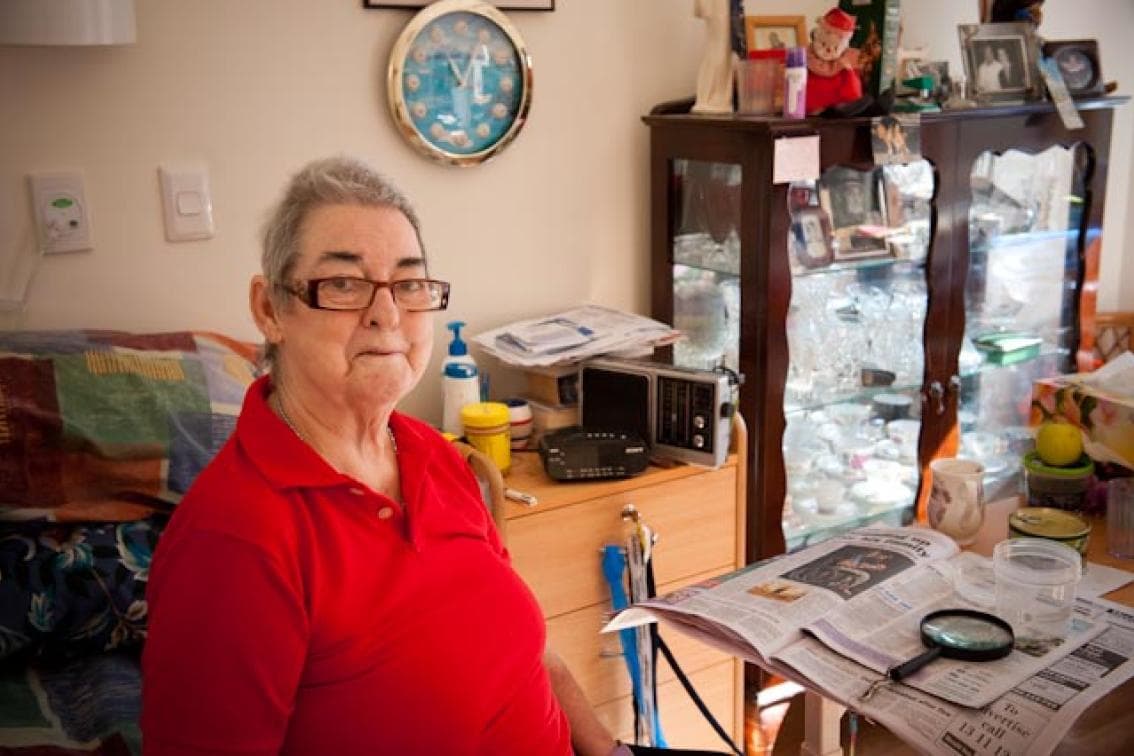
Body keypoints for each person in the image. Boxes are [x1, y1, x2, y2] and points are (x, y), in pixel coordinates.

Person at [141, 157, 625, 755]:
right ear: (270, 310)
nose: (387, 313)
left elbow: (529, 650)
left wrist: (611, 751)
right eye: (344, 284)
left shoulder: (434, 454)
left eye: (409, 284)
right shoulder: (234, 540)